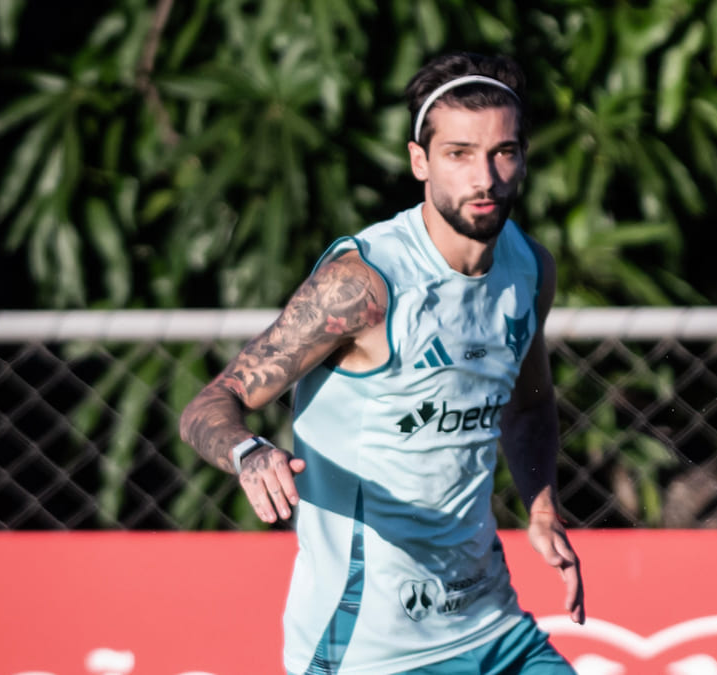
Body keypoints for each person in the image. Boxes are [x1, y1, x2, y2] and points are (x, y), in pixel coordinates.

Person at [179, 51, 585, 675]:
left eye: (503, 152)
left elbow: (527, 404)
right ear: (419, 161)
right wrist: (249, 454)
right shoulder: (365, 284)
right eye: (458, 153)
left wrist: (541, 507)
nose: (485, 177)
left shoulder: (529, 269)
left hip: (495, 627)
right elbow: (212, 402)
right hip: (371, 649)